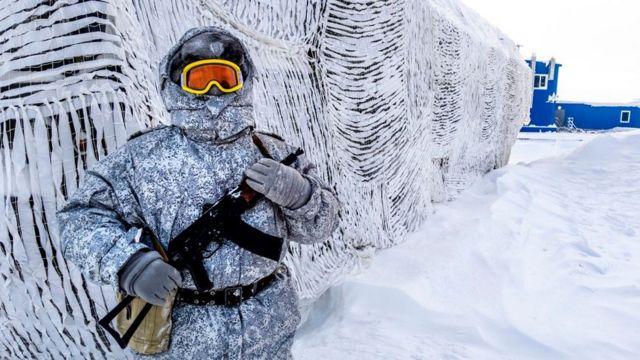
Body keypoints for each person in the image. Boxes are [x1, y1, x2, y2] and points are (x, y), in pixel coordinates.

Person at [57, 26, 340, 359]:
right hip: (183, 340)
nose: (214, 91)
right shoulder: (142, 158)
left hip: (269, 331)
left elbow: (323, 226)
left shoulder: (274, 153)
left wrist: (303, 195)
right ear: (176, 85)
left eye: (224, 78)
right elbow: (78, 219)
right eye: (200, 79)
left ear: (244, 83)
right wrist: (130, 264)